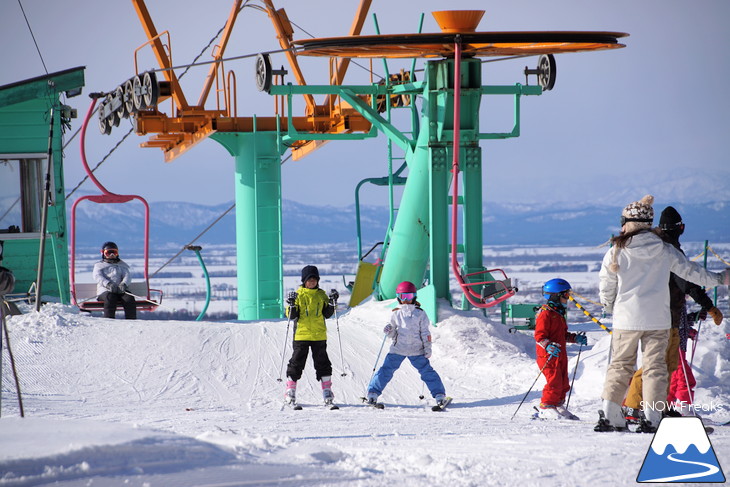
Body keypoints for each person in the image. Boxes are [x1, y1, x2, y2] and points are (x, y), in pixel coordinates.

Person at [595, 195, 729, 433]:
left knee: (620, 365)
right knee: (655, 368)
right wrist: (720, 278)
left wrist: (609, 306)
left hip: (626, 318)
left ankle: (610, 413)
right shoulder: (664, 249)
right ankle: (652, 416)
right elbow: (691, 272)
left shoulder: (616, 251)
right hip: (658, 318)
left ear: (625, 221)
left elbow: (607, 284)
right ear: (649, 222)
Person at [623, 206, 723, 421]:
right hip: (664, 314)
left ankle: (661, 405)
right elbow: (686, 282)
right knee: (656, 363)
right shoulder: (668, 248)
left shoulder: (658, 245)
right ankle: (632, 405)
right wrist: (708, 305)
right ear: (681, 228)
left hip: (665, 312)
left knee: (667, 365)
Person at [366, 281, 448, 409]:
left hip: (417, 350)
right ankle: (373, 393)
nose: (405, 301)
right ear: (398, 298)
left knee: (427, 373)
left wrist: (428, 349)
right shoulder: (396, 313)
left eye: (408, 297)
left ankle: (439, 395)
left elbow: (425, 333)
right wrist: (389, 330)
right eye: (403, 297)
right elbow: (393, 334)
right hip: (398, 349)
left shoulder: (420, 314)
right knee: (385, 371)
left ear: (414, 297)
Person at [284, 265, 339, 407]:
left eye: (314, 279)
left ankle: (327, 391)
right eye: (309, 279)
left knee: (323, 363)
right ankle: (290, 390)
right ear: (304, 281)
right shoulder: (298, 294)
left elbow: (327, 314)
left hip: (319, 335)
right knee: (297, 362)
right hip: (301, 335)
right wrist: (291, 304)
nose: (312, 281)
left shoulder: (321, 295)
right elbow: (292, 315)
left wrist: (333, 303)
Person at [534, 278, 587, 420]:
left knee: (563, 382)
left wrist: (575, 338)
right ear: (556, 295)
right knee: (554, 382)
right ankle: (546, 406)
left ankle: (557, 405)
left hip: (560, 354)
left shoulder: (558, 313)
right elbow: (539, 336)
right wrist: (548, 345)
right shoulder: (545, 313)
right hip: (548, 356)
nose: (568, 298)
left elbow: (562, 335)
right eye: (565, 294)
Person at [92, 241, 136, 320]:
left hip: (120, 290)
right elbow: (97, 276)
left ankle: (131, 320)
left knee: (129, 298)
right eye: (109, 253)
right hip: (105, 291)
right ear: (103, 253)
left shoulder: (122, 265)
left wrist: (124, 284)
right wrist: (108, 284)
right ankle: (109, 320)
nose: (112, 255)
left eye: (114, 253)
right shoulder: (99, 265)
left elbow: (127, 276)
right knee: (110, 297)